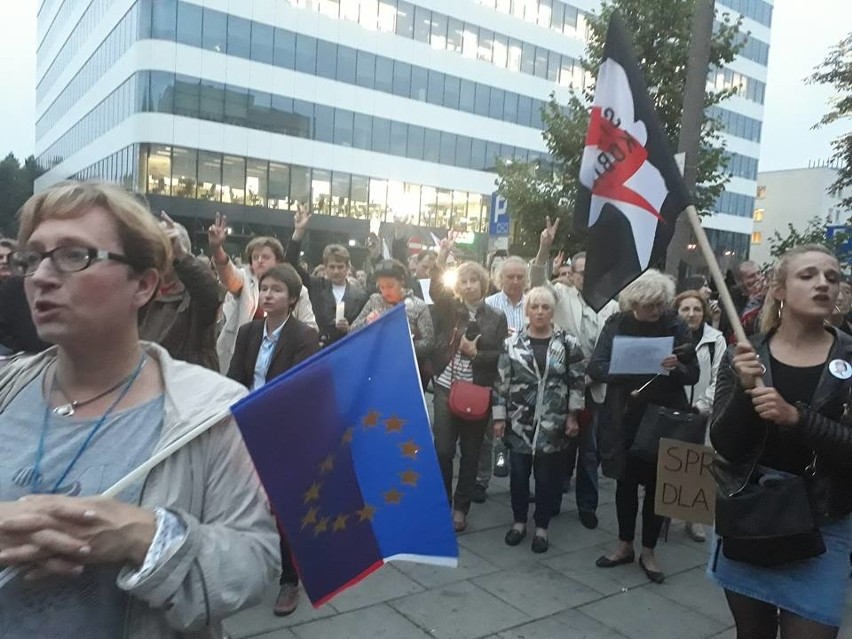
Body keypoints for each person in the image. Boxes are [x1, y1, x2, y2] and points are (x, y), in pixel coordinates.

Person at [0, 181, 278, 637]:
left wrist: (143, 537)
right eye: (31, 258)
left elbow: (252, 560)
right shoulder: (7, 389)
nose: (41, 277)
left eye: (74, 255)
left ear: (143, 284)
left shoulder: (210, 413)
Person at [709, 244, 852, 639]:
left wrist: (798, 419)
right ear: (780, 289)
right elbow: (726, 444)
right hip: (750, 516)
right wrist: (742, 391)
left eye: (832, 277)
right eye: (807, 275)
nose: (823, 283)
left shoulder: (850, 358)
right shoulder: (745, 353)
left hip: (822, 525)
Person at [588, 269, 699, 584]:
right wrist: (625, 366)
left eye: (659, 305)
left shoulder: (675, 324)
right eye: (648, 306)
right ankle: (624, 544)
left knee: (657, 485)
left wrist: (676, 367)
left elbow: (692, 372)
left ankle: (648, 550)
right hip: (625, 413)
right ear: (633, 303)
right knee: (625, 482)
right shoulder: (616, 324)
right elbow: (596, 365)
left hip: (664, 414)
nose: (654, 311)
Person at [226, 263, 318, 617]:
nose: (267, 294)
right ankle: (245, 562)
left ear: (292, 298)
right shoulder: (249, 332)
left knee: (282, 508)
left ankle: (289, 578)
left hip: (284, 432)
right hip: (246, 426)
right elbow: (235, 378)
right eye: (264, 288)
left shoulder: (303, 336)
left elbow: (298, 389)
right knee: (244, 499)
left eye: (276, 290)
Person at [531, 217, 618, 529]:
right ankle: (552, 501)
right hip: (562, 386)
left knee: (589, 451)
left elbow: (612, 349)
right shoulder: (561, 294)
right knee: (557, 448)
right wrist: (544, 247)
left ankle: (587, 506)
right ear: (575, 274)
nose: (587, 277)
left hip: (594, 390)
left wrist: (593, 375)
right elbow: (537, 282)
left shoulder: (611, 305)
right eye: (582, 272)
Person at [493, 287, 585, 553]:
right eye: (535, 307)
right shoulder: (511, 344)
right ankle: (519, 522)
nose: (540, 312)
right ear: (527, 311)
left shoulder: (568, 343)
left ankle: (542, 526)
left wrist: (572, 416)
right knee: (519, 476)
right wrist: (499, 418)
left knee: (547, 478)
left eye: (545, 307)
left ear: (552, 311)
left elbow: (576, 383)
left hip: (553, 422)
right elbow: (501, 383)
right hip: (519, 421)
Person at [429, 242, 507, 533]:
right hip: (446, 385)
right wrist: (441, 257)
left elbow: (501, 355)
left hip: (477, 390)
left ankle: (461, 509)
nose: (469, 285)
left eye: (474, 280)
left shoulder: (496, 317)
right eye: (464, 280)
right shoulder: (449, 307)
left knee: (472, 452)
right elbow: (436, 289)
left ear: (483, 283)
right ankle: (442, 503)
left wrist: (476, 354)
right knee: (444, 450)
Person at [207, 214, 317, 373]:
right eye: (255, 257)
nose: (259, 261)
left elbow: (310, 328)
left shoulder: (298, 289)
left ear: (278, 261)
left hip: (281, 360)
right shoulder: (244, 279)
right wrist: (217, 249)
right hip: (240, 358)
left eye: (265, 257)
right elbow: (228, 276)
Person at [474, 256, 530, 500]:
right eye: (510, 276)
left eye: (520, 276)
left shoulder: (534, 303)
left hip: (524, 377)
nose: (515, 281)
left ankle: (520, 486)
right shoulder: (488, 305)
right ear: (500, 278)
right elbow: (479, 342)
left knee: (521, 432)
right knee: (488, 431)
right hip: (493, 374)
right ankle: (481, 481)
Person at [674, 289, 726, 542]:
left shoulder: (716, 340)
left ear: (704, 312)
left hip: (702, 411)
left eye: (696, 309)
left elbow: (721, 378)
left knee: (698, 464)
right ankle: (664, 512)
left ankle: (693, 520)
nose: (691, 314)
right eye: (685, 309)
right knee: (671, 461)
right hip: (673, 408)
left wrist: (702, 405)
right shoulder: (670, 337)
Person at [138, 213, 221, 370]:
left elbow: (209, 293)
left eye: (166, 246)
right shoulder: (142, 291)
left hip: (186, 383)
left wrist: (180, 254)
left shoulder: (194, 295)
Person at [284, 206, 367, 347]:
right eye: (332, 267)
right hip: (317, 349)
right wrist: (299, 232)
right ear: (325, 267)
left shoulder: (360, 295)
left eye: (340, 267)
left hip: (345, 350)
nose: (336, 271)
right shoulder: (315, 285)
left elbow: (364, 329)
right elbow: (291, 264)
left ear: (347, 268)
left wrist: (349, 328)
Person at [351, 259, 434, 364]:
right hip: (374, 362)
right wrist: (367, 322)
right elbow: (351, 331)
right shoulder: (374, 300)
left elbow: (429, 342)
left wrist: (402, 347)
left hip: (404, 364)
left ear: (402, 282)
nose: (385, 292)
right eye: (381, 287)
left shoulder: (418, 306)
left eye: (390, 286)